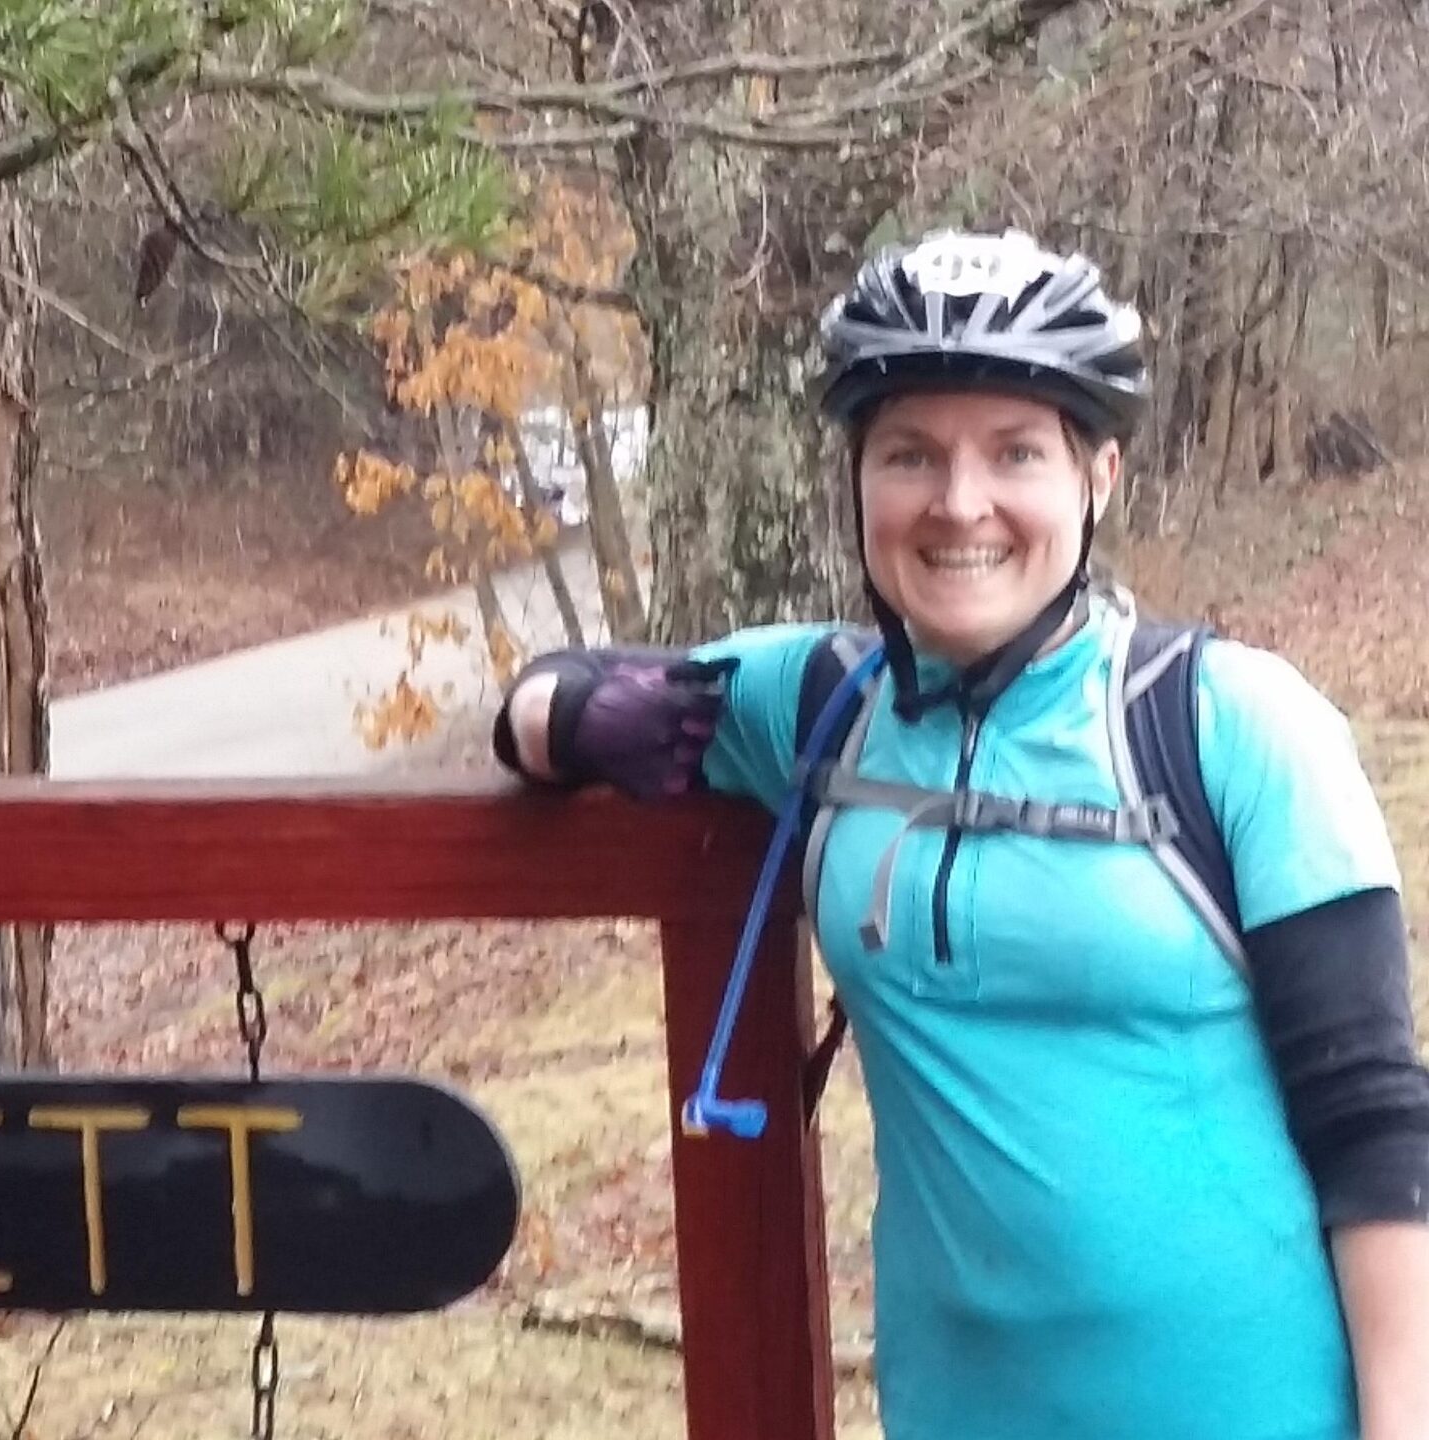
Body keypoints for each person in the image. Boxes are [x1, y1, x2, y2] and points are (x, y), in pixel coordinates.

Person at [496, 228, 1429, 1440]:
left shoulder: (1227, 725)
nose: (958, 503)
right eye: (909, 454)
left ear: (1099, 477)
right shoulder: (824, 706)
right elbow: (547, 697)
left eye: (1015, 452)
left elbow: (1373, 1122)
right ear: (858, 477)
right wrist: (569, 724)